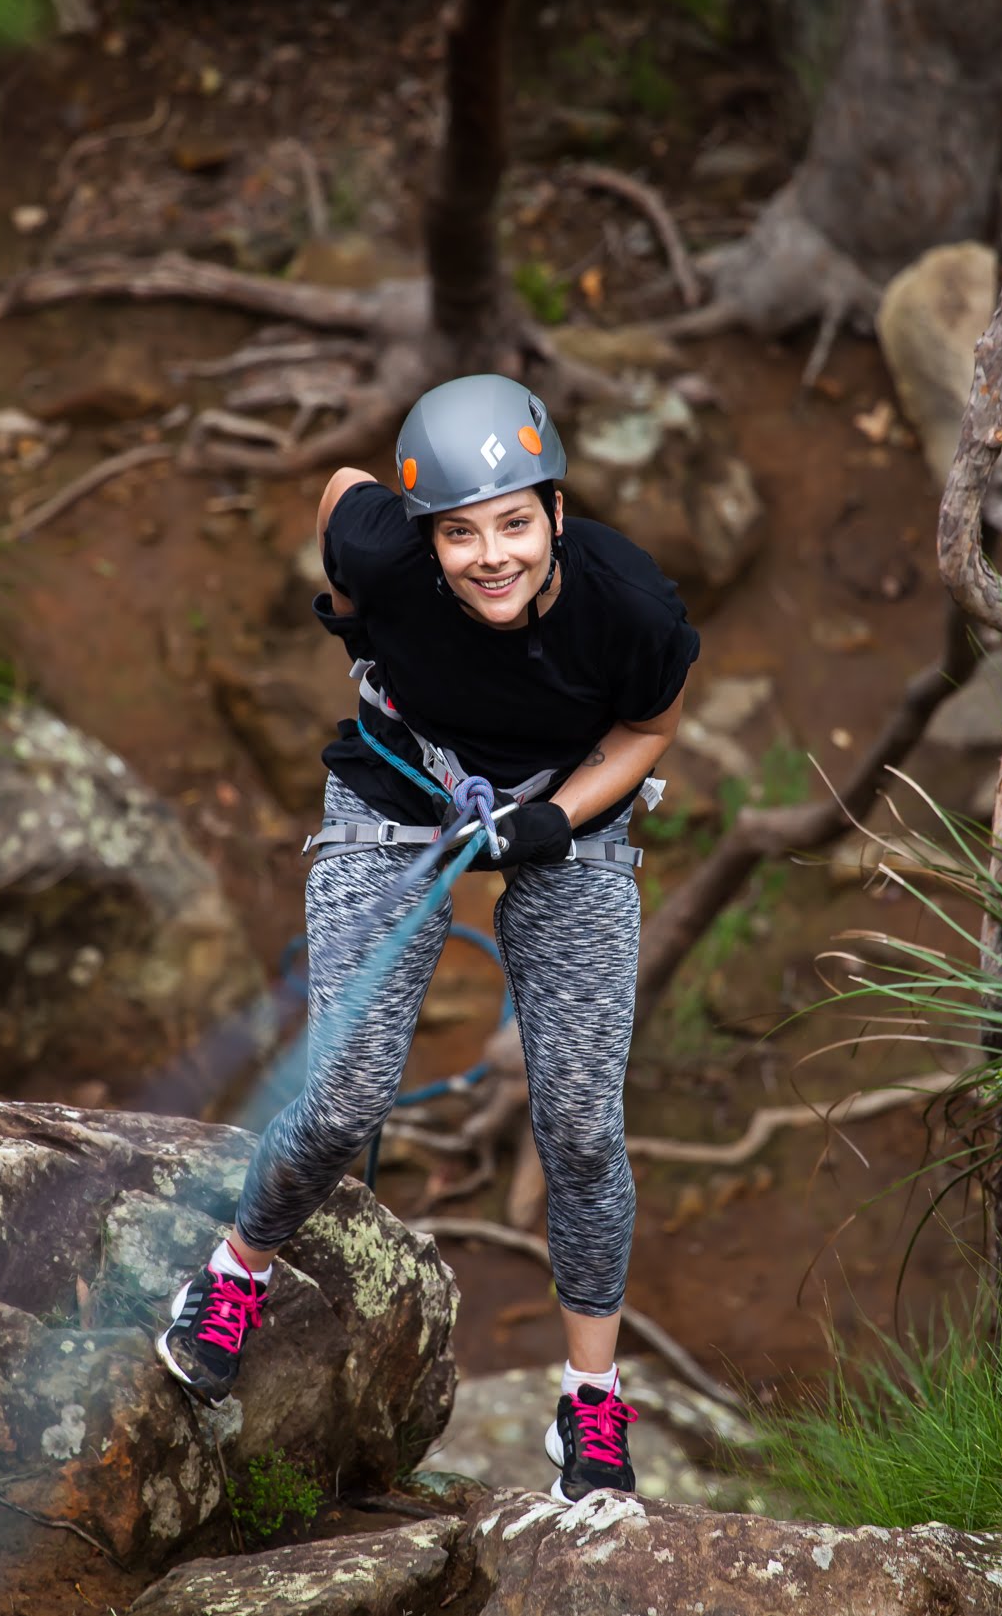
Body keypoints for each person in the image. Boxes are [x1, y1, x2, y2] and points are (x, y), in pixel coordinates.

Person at [154, 373, 699, 1503]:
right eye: (459, 533)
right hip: (402, 789)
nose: (489, 555)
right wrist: (373, 623)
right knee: (348, 1093)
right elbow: (343, 490)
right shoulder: (384, 550)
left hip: (565, 808)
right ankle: (233, 1270)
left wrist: (558, 816)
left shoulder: (631, 607)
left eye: (513, 522)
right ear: (426, 537)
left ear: (556, 511)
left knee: (585, 1128)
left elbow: (649, 726)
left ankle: (588, 1410)